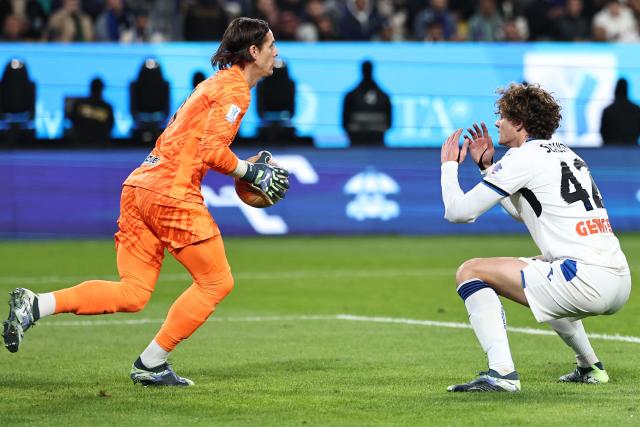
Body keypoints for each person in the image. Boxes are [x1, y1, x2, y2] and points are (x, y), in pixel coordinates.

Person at [2, 17, 290, 387]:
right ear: (253, 51)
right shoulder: (235, 90)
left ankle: (36, 304)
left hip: (139, 186)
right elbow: (212, 150)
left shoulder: (212, 85)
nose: (276, 51)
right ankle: (152, 362)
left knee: (133, 292)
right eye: (271, 45)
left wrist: (244, 168)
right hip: (171, 193)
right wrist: (251, 174)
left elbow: (198, 145)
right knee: (216, 282)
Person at [440, 83, 631, 392]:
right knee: (540, 268)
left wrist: (449, 166)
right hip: (618, 278)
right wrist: (487, 167)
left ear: (519, 123)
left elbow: (459, 212)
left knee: (469, 271)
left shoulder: (523, 158)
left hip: (586, 281)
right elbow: (525, 212)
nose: (497, 122)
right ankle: (590, 366)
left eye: (502, 116)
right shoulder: (566, 153)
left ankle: (502, 373)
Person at [342, 60, 392, 146]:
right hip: (357, 144)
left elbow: (389, 123)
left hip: (377, 145)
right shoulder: (351, 96)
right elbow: (345, 123)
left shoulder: (383, 96)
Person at [67, 77, 114, 145]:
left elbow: (71, 119)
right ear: (102, 89)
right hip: (89, 144)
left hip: (87, 144)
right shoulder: (107, 107)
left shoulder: (79, 103)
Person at [600, 77, 640, 146]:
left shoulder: (608, 111)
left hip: (610, 149)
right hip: (632, 149)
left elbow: (603, 132)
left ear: (615, 90)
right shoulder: (636, 110)